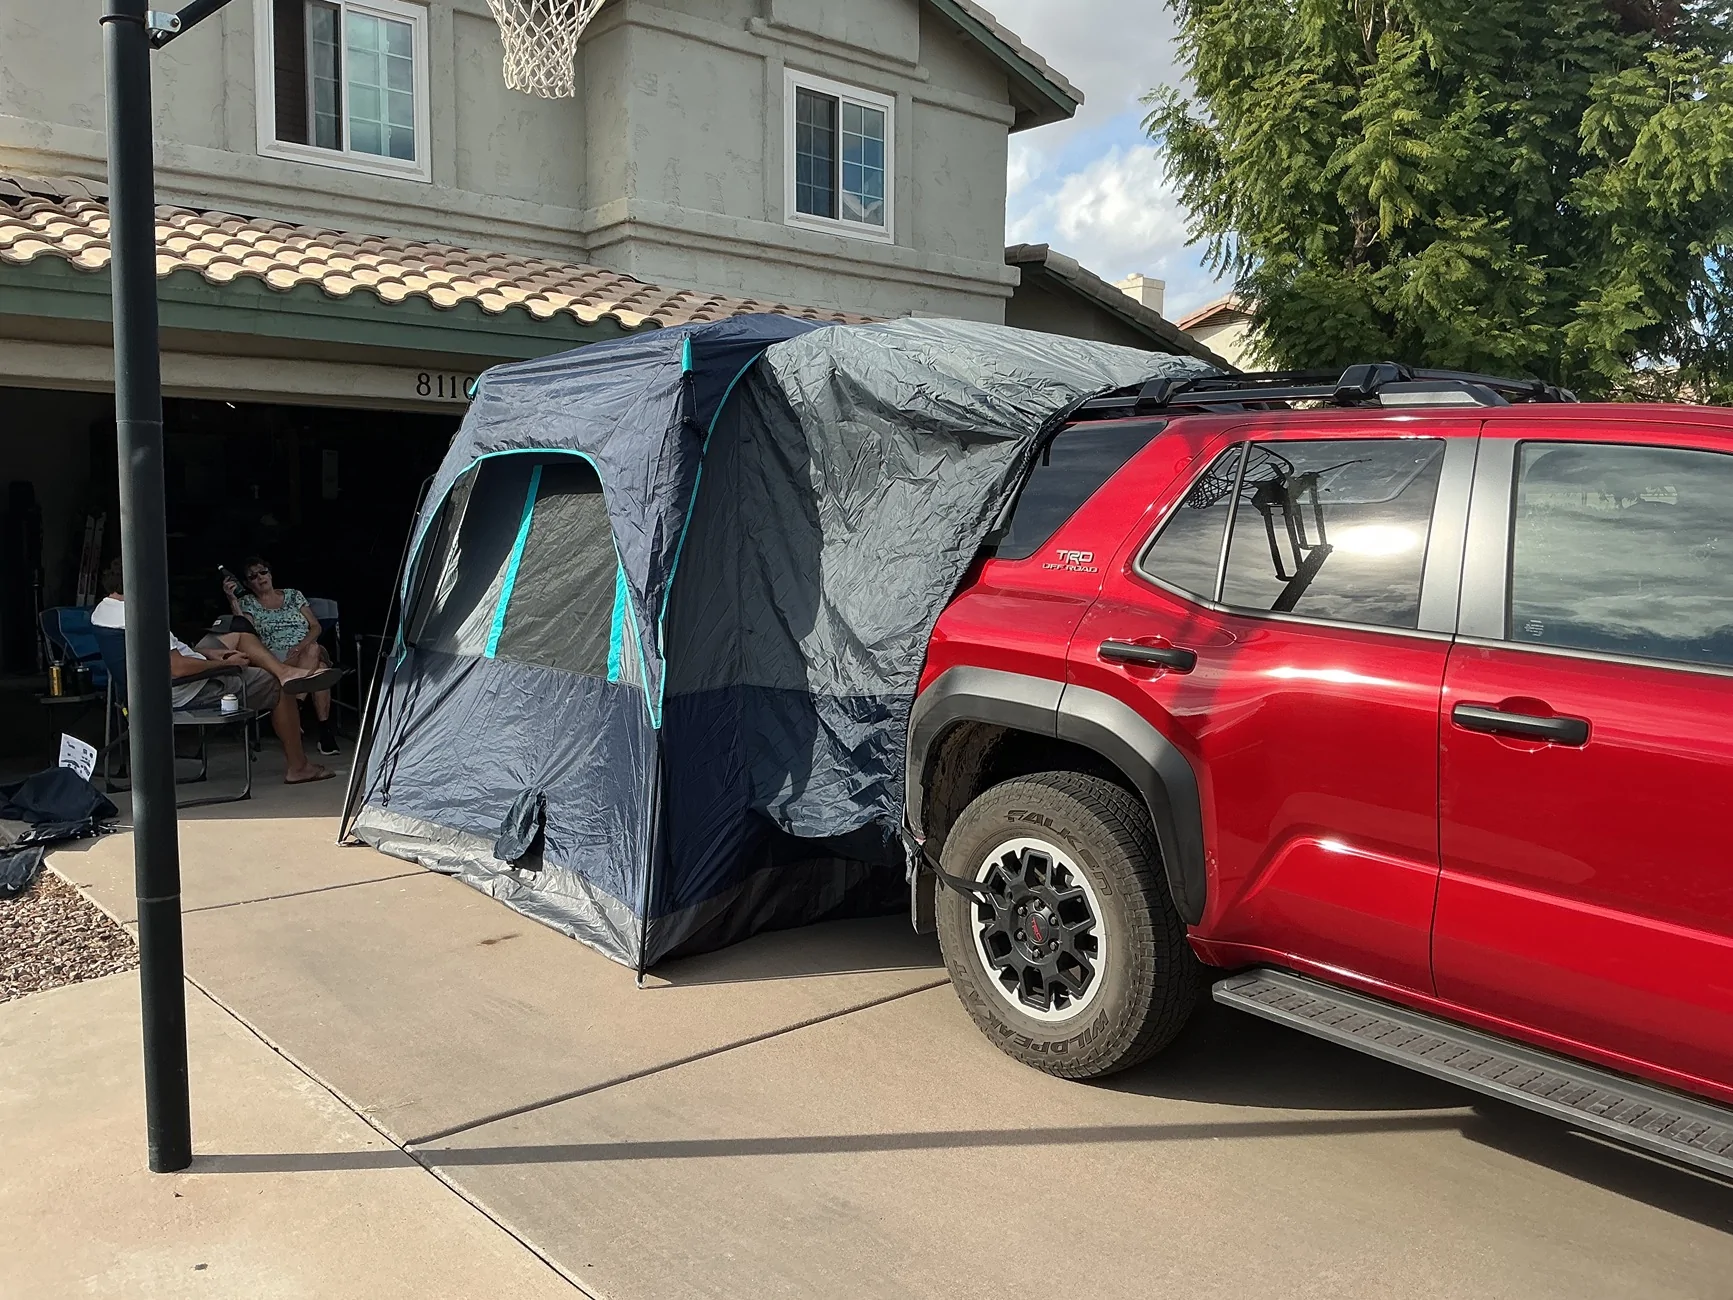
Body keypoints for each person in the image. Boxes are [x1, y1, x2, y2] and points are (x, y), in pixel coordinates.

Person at [91, 586, 341, 785]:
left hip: (148, 688)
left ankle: (285, 670)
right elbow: (176, 668)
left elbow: (168, 656)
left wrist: (209, 653)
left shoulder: (104, 610)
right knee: (274, 684)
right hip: (185, 689)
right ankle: (299, 767)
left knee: (238, 634)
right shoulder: (141, 614)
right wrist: (223, 666)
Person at [223, 557, 338, 756]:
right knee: (320, 670)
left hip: (305, 646)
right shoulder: (247, 602)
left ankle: (296, 707)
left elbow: (315, 626)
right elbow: (245, 631)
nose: (260, 578)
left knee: (313, 650)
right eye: (253, 576)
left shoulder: (294, 596)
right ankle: (325, 732)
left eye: (263, 572)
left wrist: (301, 645)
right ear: (248, 584)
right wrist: (233, 600)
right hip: (274, 657)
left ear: (270, 573)